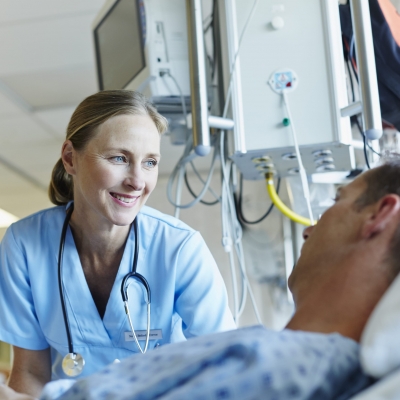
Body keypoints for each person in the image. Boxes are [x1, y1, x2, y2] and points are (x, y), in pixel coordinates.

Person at [2, 160, 400, 400]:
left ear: (380, 215)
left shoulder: (280, 365)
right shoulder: (277, 353)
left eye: (337, 200)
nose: (309, 228)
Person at [0, 90, 236, 398]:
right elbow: (31, 372)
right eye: (119, 158)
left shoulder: (179, 248)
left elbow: (227, 367)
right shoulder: (24, 245)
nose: (138, 181)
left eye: (150, 162)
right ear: (71, 158)